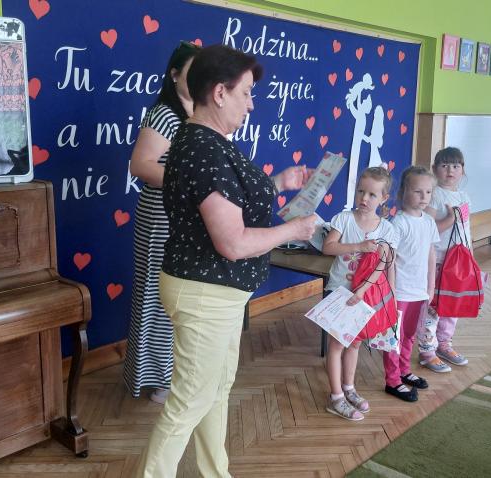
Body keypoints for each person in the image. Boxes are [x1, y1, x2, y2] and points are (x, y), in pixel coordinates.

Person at [137, 45, 317, 478]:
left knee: (216, 389)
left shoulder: (207, 142)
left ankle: (216, 473)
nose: (251, 104)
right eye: (246, 93)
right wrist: (294, 230)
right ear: (219, 93)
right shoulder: (204, 148)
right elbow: (232, 242)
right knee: (189, 401)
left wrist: (278, 184)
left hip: (219, 291)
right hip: (206, 293)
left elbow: (232, 201)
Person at [123, 41, 200, 404]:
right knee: (157, 297)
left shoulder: (195, 113)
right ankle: (157, 380)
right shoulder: (165, 114)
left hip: (184, 219)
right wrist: (190, 179)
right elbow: (140, 166)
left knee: (178, 298)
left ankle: (171, 375)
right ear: (174, 74)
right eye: (192, 72)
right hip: (160, 218)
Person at [321, 166, 396, 420]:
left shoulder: (387, 229)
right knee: (337, 344)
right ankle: (336, 397)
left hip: (365, 296)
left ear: (384, 198)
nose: (364, 198)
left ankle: (349, 388)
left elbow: (384, 265)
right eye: (361, 191)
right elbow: (328, 247)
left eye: (372, 194)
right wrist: (359, 246)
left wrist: (370, 291)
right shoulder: (343, 219)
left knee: (354, 343)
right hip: (340, 292)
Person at [383, 166, 439, 402]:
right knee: (394, 337)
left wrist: (430, 286)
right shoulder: (398, 223)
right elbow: (390, 259)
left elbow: (431, 254)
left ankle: (404, 370)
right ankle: (392, 379)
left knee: (409, 334)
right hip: (400, 292)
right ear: (403, 192)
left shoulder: (429, 222)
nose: (424, 197)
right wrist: (392, 290)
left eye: (428, 192)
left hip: (419, 291)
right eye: (418, 191)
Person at [419, 147, 471, 373]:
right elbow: (428, 230)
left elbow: (466, 229)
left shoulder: (464, 196)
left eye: (456, 166)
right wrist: (449, 219)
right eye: (445, 165)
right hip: (438, 260)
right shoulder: (435, 194)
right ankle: (427, 350)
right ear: (434, 169)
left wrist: (469, 255)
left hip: (458, 262)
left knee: (452, 305)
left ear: (462, 170)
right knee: (433, 307)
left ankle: (444, 343)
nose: (450, 170)